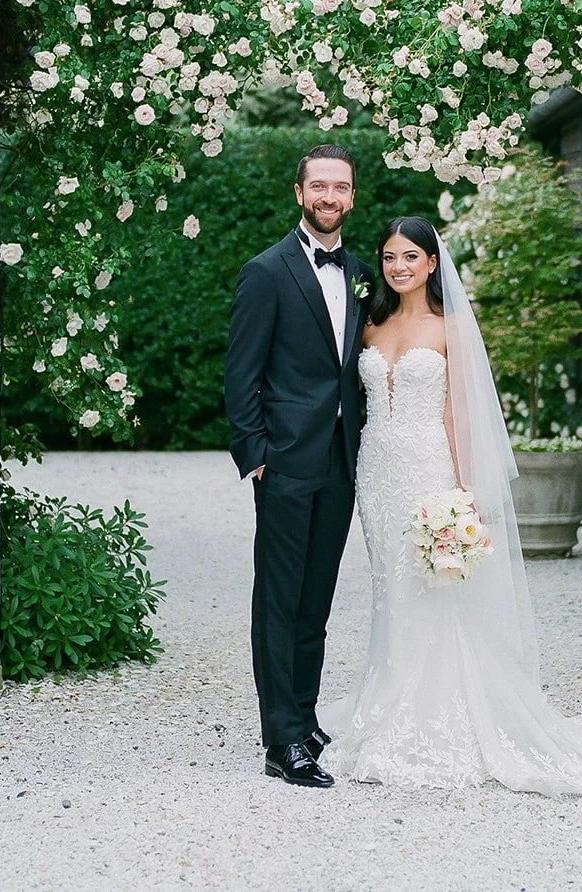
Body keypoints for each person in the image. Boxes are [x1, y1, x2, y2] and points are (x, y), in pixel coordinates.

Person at [317, 216, 582, 795]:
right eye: (389, 257)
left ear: (433, 263)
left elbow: (458, 414)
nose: (399, 267)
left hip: (428, 469)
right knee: (390, 587)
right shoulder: (371, 323)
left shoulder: (451, 327)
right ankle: (385, 698)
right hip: (376, 473)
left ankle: (436, 715)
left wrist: (465, 493)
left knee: (431, 588)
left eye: (411, 256)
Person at [224, 144, 375, 788]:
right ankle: (279, 740)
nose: (329, 197)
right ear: (298, 193)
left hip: (341, 462)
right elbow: (241, 375)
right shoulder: (266, 272)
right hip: (284, 462)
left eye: (340, 187)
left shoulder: (364, 273)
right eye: (319, 186)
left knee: (316, 601)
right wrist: (254, 455)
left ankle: (305, 719)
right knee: (278, 602)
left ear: (351, 196)